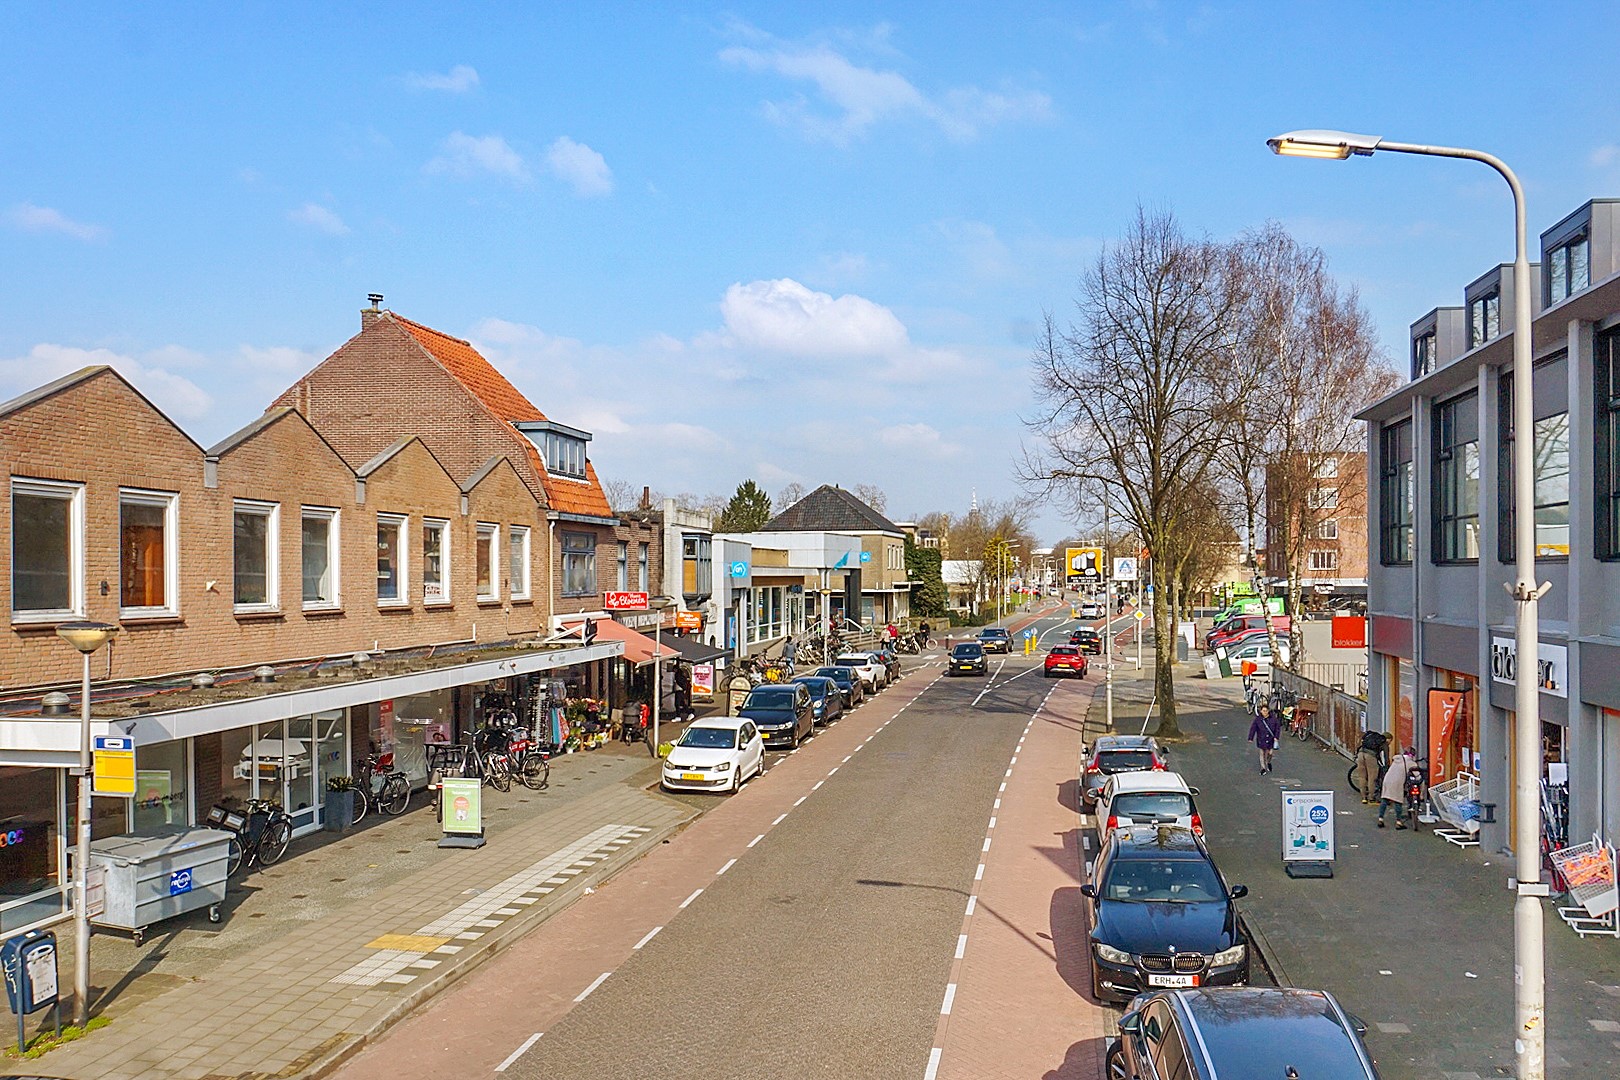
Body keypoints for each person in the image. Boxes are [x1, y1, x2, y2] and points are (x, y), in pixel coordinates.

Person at [1379, 745, 1420, 829]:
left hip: (1387, 780)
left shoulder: (1397, 759)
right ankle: (1398, 822)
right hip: (1397, 782)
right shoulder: (1411, 763)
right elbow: (1418, 776)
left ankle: (1380, 819)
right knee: (1398, 800)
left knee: (1385, 799)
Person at [1355, 728, 1389, 805]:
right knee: (1372, 778)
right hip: (1370, 756)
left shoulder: (1371, 737)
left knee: (1362, 777)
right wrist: (1387, 767)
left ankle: (1364, 798)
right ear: (1388, 739)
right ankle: (1371, 798)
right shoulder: (1384, 742)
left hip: (1360, 754)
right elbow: (1386, 757)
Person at [1248, 700, 1281, 775]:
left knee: (1270, 753)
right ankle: (1263, 768)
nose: (1265, 712)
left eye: (1266, 711)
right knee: (1262, 753)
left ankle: (1268, 762)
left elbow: (1277, 728)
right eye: (1263, 711)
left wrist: (1276, 737)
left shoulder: (1273, 719)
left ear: (1268, 711)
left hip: (1271, 739)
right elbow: (1253, 728)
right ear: (1261, 711)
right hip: (1261, 739)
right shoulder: (1258, 719)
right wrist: (1250, 737)